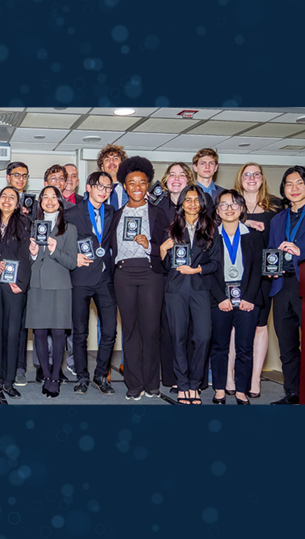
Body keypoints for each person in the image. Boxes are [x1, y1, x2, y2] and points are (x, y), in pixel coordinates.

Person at [109, 157, 168, 400]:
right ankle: (133, 384)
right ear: (124, 185)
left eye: (142, 183)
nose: (136, 187)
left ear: (147, 185)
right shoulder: (117, 213)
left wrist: (150, 245)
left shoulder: (158, 213)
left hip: (150, 273)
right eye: (131, 182)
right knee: (130, 330)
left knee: (151, 330)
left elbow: (167, 246)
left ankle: (152, 382)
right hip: (123, 274)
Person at [160, 185, 220, 404]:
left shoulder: (212, 229)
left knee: (203, 336)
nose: (192, 204)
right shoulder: (171, 229)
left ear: (202, 204)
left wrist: (197, 269)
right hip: (175, 290)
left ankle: (196, 383)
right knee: (178, 337)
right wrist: (162, 251)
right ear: (181, 204)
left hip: (200, 288)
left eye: (196, 200)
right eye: (188, 200)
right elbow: (166, 265)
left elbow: (216, 263)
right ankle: (183, 384)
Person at [232, 162, 283, 398]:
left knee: (260, 327)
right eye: (247, 174)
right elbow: (217, 228)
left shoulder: (275, 206)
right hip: (234, 274)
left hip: (264, 274)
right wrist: (245, 222)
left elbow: (282, 238)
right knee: (233, 327)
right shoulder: (231, 204)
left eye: (256, 174)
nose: (251, 178)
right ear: (240, 178)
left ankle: (254, 379)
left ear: (262, 179)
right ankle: (230, 378)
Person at [65, 171, 117, 395]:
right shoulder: (72, 213)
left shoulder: (113, 212)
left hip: (105, 278)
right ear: (88, 187)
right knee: (79, 332)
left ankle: (100, 376)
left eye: (108, 188)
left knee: (110, 330)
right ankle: (82, 376)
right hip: (81, 276)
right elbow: (61, 241)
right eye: (99, 186)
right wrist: (71, 255)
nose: (104, 191)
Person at [209, 190, 262, 405]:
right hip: (219, 298)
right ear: (217, 210)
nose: (229, 209)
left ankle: (241, 390)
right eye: (224, 205)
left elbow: (258, 269)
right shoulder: (211, 237)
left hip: (248, 297)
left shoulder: (254, 235)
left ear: (241, 208)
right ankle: (220, 389)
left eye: (234, 205)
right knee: (219, 346)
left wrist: (249, 297)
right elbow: (208, 270)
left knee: (245, 347)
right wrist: (220, 297)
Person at [26, 186, 77, 398]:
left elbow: (72, 262)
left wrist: (55, 250)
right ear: (40, 202)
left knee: (58, 334)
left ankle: (55, 376)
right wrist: (33, 254)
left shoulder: (69, 228)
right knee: (38, 333)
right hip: (37, 285)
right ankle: (46, 375)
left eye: (53, 197)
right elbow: (31, 261)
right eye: (44, 197)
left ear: (59, 201)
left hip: (59, 286)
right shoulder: (32, 227)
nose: (49, 200)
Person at [0, 187, 31, 398]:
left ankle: (10, 380)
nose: (7, 200)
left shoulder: (24, 223)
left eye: (12, 197)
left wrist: (21, 283)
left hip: (14, 287)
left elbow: (25, 256)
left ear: (18, 203)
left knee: (13, 334)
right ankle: (0, 377)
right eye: (4, 196)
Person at [268, 166, 305, 405]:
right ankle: (293, 393)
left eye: (300, 183)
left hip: (304, 284)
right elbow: (271, 251)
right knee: (287, 345)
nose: (294, 188)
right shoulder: (277, 219)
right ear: (283, 188)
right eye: (289, 184)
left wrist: (301, 252)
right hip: (282, 288)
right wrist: (271, 268)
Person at [97, 143, 128, 210]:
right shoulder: (94, 191)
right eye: (107, 159)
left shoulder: (130, 190)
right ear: (102, 167)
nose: (112, 162)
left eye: (116, 158)